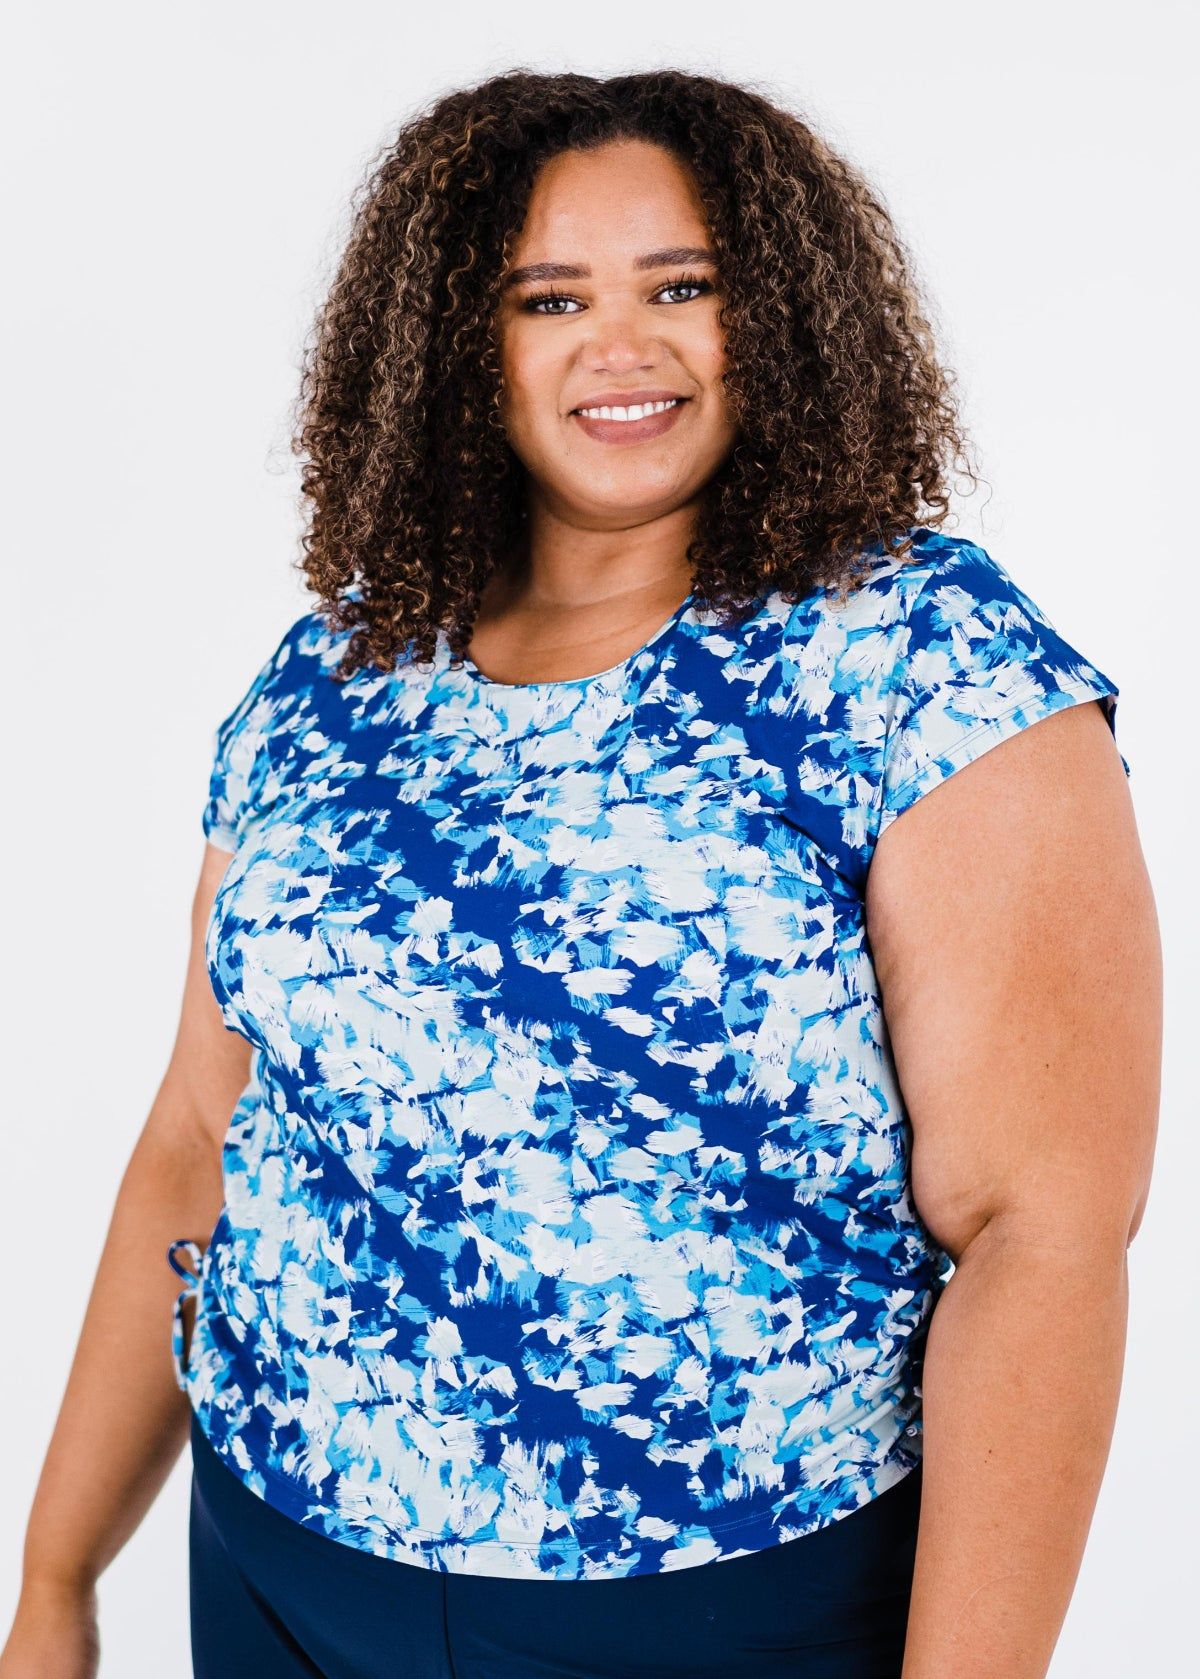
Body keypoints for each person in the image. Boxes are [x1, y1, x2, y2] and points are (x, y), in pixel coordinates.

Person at [1, 68, 1160, 1679]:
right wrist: (56, 1579)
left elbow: (1040, 1234)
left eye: (684, 285)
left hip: (719, 1606)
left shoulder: (924, 663)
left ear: (786, 316)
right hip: (271, 1565)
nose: (623, 346)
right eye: (550, 299)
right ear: (465, 351)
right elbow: (200, 1135)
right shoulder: (330, 678)